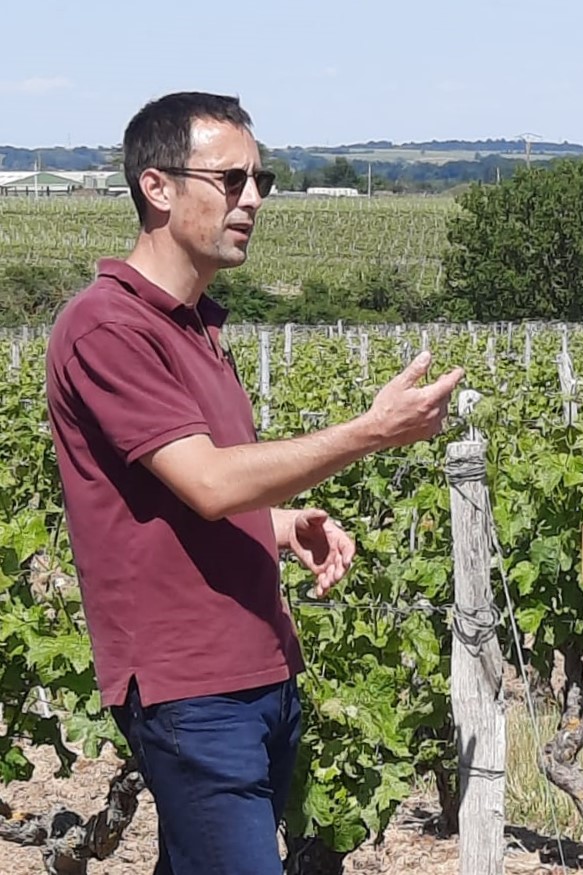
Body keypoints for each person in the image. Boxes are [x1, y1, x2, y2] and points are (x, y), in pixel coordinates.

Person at [44, 91, 463, 875]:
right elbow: (205, 481)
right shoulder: (109, 326)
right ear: (157, 186)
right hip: (191, 688)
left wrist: (278, 523)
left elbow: (181, 498)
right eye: (231, 180)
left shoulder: (197, 326)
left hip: (258, 671)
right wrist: (370, 431)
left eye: (261, 179)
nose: (254, 199)